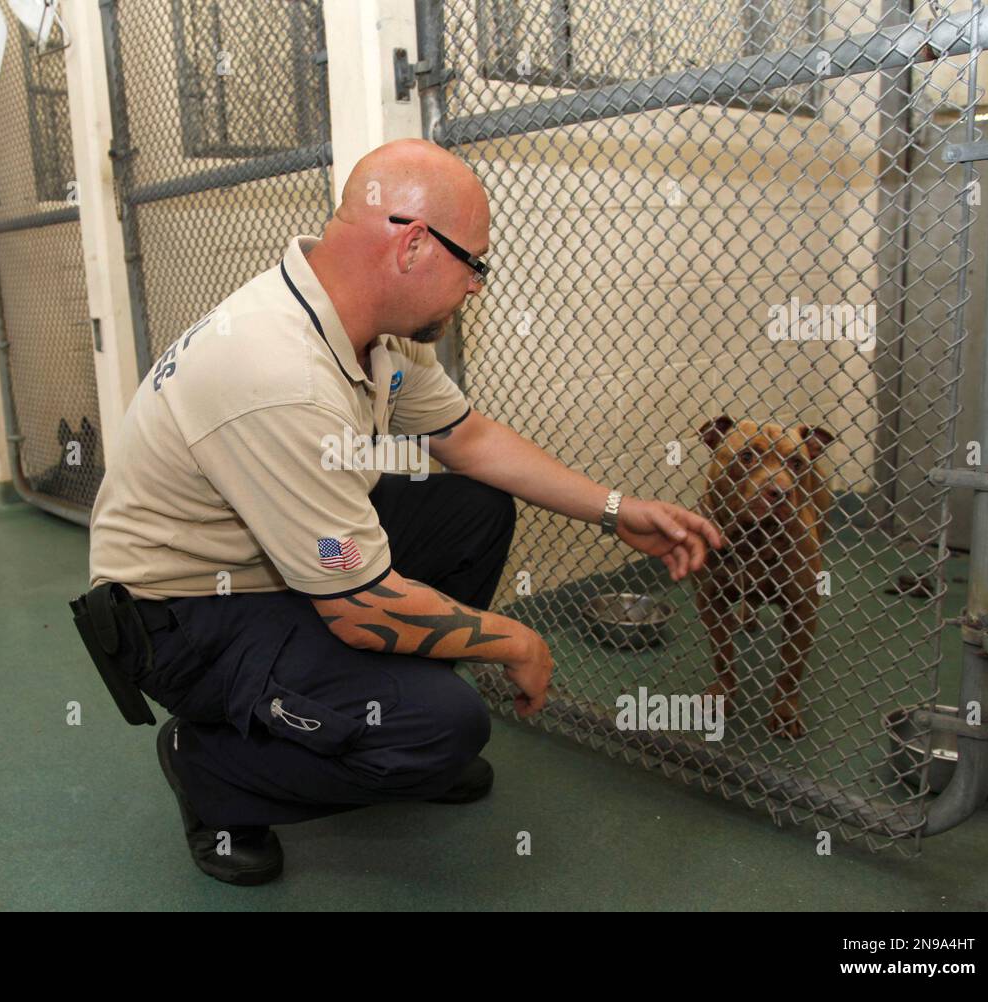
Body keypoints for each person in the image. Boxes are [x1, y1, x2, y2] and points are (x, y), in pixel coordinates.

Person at [86, 138, 723, 885]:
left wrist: (615, 511)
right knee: (444, 729)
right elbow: (358, 607)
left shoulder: (369, 332)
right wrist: (515, 641)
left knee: (473, 508)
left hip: (274, 563)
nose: (478, 287)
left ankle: (370, 712)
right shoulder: (275, 370)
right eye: (476, 264)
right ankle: (216, 770)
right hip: (183, 617)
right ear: (416, 244)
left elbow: (469, 438)